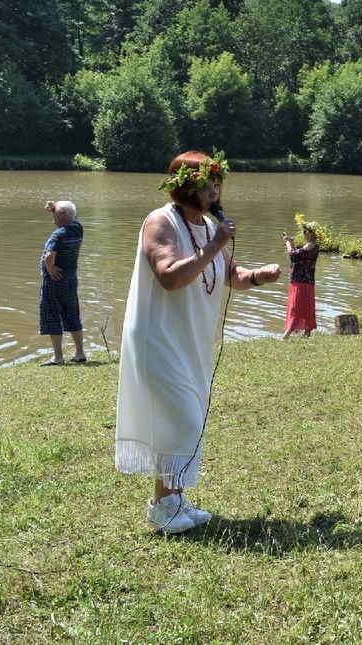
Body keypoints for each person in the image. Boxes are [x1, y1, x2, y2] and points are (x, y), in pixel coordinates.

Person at [114, 150, 282, 534]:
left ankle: (173, 499)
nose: (216, 193)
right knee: (182, 418)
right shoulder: (160, 222)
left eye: (219, 185)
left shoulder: (207, 227)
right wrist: (216, 244)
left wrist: (258, 276)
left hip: (189, 340)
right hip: (158, 337)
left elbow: (230, 274)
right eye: (209, 186)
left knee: (189, 417)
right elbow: (170, 276)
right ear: (186, 188)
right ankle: (162, 505)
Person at [39, 199, 86, 366]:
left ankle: (58, 357)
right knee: (72, 315)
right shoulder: (78, 228)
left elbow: (49, 256)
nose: (53, 216)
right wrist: (55, 209)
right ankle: (79, 353)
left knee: (52, 316)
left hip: (54, 281)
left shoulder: (58, 234)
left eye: (56, 213)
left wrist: (50, 269)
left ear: (62, 214)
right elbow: (72, 214)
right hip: (71, 280)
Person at [282, 223, 320, 338]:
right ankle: (307, 332)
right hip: (307, 281)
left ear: (311, 234)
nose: (303, 234)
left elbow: (293, 256)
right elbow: (299, 256)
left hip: (300, 280)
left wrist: (287, 243)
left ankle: (287, 334)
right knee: (306, 306)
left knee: (296, 307)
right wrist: (292, 244)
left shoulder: (309, 246)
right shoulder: (313, 246)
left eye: (305, 231)